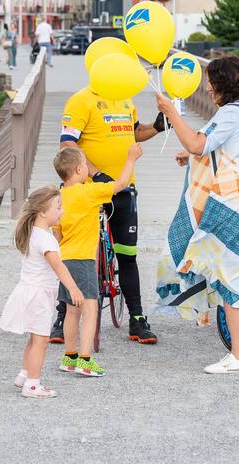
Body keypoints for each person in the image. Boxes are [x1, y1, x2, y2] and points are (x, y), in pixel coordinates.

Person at [155, 55, 239, 373]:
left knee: (229, 277)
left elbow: (197, 142)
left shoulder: (231, 114)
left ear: (220, 85)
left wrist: (170, 112)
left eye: (210, 81)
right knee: (238, 275)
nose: (206, 86)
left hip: (228, 204)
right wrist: (190, 154)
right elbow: (216, 148)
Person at [53, 80, 164, 345]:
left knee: (127, 255)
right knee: (74, 253)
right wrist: (94, 173)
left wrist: (158, 128)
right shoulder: (80, 100)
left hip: (123, 190)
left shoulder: (125, 97)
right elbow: (67, 144)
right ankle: (61, 316)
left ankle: (137, 319)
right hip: (86, 190)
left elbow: (135, 132)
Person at [52, 145, 141, 378]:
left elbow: (57, 233)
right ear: (80, 169)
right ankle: (85, 359)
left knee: (72, 310)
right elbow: (121, 185)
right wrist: (130, 157)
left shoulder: (59, 198)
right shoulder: (88, 192)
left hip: (66, 259)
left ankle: (69, 357)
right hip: (83, 259)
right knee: (90, 308)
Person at [0, 185, 83, 399]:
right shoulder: (45, 239)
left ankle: (25, 374)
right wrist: (73, 287)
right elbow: (58, 266)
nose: (62, 211)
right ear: (43, 212)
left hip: (28, 291)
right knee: (41, 341)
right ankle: (33, 385)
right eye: (58, 206)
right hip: (39, 296)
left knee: (34, 338)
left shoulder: (34, 233)